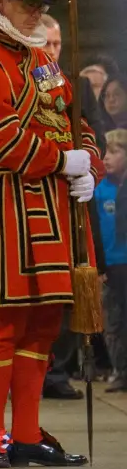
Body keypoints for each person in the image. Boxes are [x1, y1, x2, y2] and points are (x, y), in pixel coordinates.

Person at [0, 0, 96, 467]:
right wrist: (64, 160)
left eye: (41, 4)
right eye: (25, 1)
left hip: (54, 206)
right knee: (4, 323)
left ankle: (28, 434)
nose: (36, 12)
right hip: (7, 205)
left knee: (43, 324)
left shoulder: (42, 59)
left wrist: (88, 166)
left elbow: (74, 121)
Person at [100, 128, 127, 394]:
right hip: (109, 265)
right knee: (114, 322)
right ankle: (120, 371)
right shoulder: (100, 190)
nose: (107, 158)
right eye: (104, 152)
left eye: (115, 152)